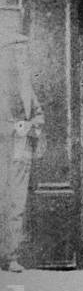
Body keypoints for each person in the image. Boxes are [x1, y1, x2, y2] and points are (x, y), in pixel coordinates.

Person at [0, 33, 44, 273]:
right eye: (17, 53)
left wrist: (30, 127)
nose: (22, 58)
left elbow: (39, 114)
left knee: (17, 204)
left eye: (24, 54)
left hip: (20, 153)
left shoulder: (27, 88)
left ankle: (11, 256)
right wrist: (11, 128)